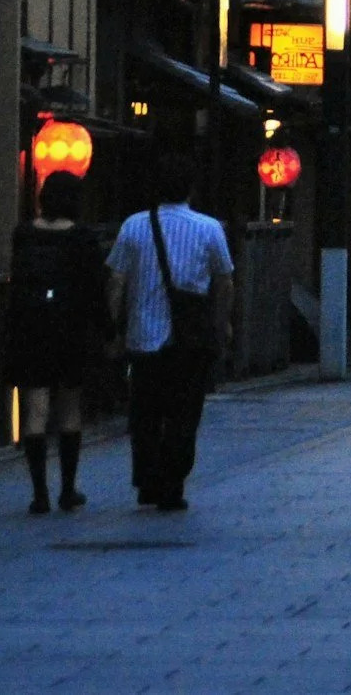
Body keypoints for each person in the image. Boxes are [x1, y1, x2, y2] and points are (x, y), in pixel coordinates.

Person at [105, 149, 233, 511]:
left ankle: (148, 481)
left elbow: (115, 280)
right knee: (184, 413)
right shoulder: (209, 229)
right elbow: (224, 282)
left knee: (144, 413)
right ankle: (173, 482)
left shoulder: (133, 226)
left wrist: (113, 326)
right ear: (190, 189)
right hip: (190, 340)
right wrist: (222, 324)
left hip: (144, 336)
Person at [4, 168, 110, 514]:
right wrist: (106, 330)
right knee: (68, 407)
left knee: (35, 409)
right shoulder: (83, 237)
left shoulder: (24, 234)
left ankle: (39, 493)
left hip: (30, 328)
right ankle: (67, 489)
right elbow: (96, 289)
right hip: (70, 329)